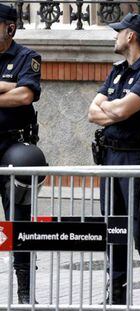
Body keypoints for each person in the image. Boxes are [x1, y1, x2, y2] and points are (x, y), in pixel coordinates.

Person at [88, 13, 140, 305]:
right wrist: (116, 109)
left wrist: (112, 110)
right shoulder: (118, 71)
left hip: (137, 158)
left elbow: (120, 112)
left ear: (131, 36)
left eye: (118, 31)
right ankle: (118, 290)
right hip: (110, 156)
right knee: (113, 224)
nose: (115, 36)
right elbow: (91, 112)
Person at [0, 3, 42, 304]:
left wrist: (14, 90)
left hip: (13, 148)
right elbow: (14, 93)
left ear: (10, 27)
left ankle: (25, 292)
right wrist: (6, 88)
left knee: (18, 221)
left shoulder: (27, 57)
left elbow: (25, 95)